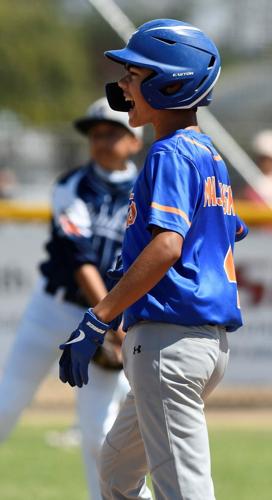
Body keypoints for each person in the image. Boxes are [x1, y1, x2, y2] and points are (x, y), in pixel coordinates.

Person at [57, 19, 248, 500]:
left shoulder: (167, 153)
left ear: (170, 83)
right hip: (195, 341)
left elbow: (167, 246)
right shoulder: (209, 154)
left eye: (135, 74)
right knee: (117, 473)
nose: (123, 85)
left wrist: (100, 316)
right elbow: (228, 230)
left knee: (183, 490)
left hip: (170, 343)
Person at [0, 97, 143, 500]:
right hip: (54, 310)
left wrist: (113, 322)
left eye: (112, 133)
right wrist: (111, 323)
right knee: (5, 405)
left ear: (134, 141)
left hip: (105, 319)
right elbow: (81, 261)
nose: (101, 140)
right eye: (95, 134)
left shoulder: (147, 191)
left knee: (100, 433)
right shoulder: (71, 186)